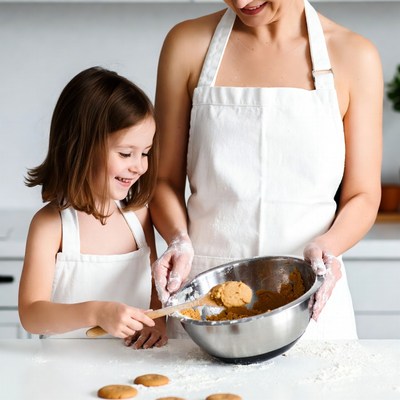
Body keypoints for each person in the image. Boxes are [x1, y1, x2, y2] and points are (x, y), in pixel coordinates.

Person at [149, 0, 383, 339]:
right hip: (205, 301)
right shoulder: (187, 45)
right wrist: (177, 239)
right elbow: (162, 181)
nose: (242, 2)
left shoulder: (354, 56)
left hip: (309, 302)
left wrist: (328, 246)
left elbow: (363, 195)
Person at [18, 67, 167, 349]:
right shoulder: (51, 225)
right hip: (63, 373)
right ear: (81, 147)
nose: (139, 166)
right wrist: (97, 312)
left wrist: (158, 321)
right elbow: (31, 314)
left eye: (145, 153)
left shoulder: (138, 215)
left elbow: (153, 290)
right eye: (126, 153)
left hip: (133, 366)